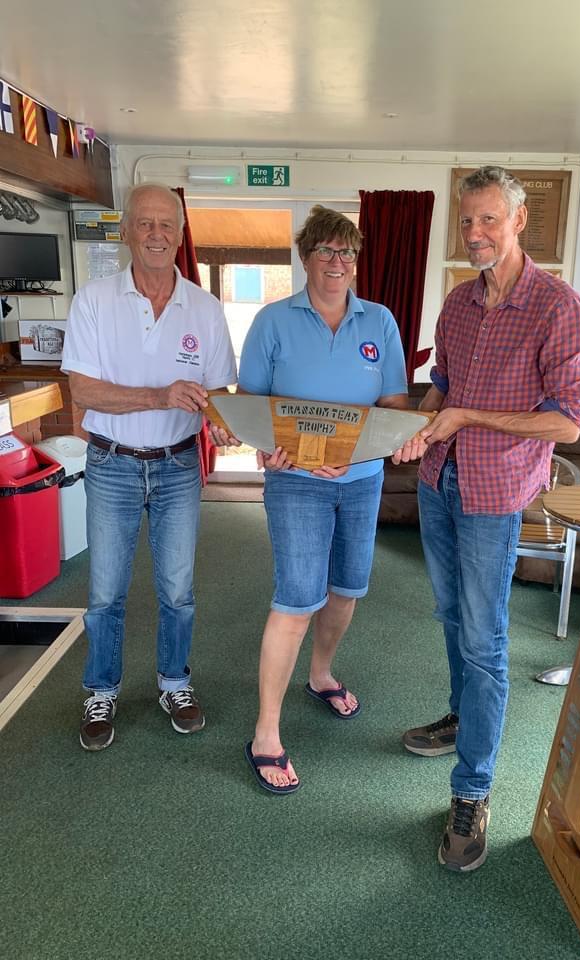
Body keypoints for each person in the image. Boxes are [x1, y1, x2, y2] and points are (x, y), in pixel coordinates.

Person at [397, 166, 580, 871]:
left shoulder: (557, 307)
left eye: (488, 220)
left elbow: (568, 424)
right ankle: (462, 718)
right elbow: (443, 385)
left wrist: (466, 416)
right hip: (438, 481)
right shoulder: (457, 303)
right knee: (452, 619)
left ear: (519, 222)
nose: (475, 233)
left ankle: (473, 789)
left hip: (493, 495)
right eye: (467, 221)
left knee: (484, 640)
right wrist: (423, 429)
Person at [210, 205, 408, 793]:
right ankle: (265, 733)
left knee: (347, 592)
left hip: (362, 478)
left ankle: (321, 674)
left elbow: (395, 404)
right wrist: (268, 449)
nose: (338, 262)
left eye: (347, 252)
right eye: (326, 251)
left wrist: (370, 447)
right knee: (297, 601)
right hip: (296, 482)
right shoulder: (273, 322)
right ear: (305, 258)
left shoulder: (380, 322)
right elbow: (253, 406)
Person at [61, 183, 237, 752]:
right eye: (145, 224)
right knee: (106, 592)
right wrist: (161, 396)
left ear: (181, 234)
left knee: (178, 590)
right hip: (111, 464)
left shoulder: (205, 309)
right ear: (127, 231)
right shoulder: (94, 299)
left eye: (167, 224)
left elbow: (216, 391)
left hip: (179, 467)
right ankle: (101, 690)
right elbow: (83, 391)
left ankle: (174, 682)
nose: (156, 234)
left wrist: (221, 419)